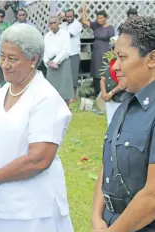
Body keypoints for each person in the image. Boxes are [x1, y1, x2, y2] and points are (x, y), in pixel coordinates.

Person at [0, 23, 74, 232]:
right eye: (2, 56)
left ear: (33, 60)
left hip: (29, 211)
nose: (4, 64)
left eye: (12, 59)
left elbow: (39, 159)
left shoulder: (45, 98)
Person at [92, 16, 155, 232]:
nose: (115, 67)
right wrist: (97, 218)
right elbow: (108, 165)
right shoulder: (124, 106)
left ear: (151, 59)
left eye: (122, 58)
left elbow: (152, 197)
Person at [81, 4, 115, 96]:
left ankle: (105, 91)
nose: (99, 20)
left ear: (105, 18)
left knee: (104, 70)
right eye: (98, 18)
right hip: (96, 51)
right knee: (96, 70)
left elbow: (112, 42)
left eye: (101, 18)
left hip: (106, 52)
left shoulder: (110, 28)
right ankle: (97, 92)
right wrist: (84, 10)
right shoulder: (96, 26)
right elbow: (84, 21)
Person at [44, 16, 74, 106]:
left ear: (58, 23)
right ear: (49, 25)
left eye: (54, 23)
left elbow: (65, 50)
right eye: (51, 23)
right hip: (50, 63)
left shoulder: (65, 34)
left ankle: (65, 110)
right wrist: (47, 62)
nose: (53, 25)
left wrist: (55, 61)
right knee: (51, 89)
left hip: (63, 62)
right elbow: (44, 51)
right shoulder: (47, 36)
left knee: (64, 90)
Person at [100, 37, 126, 127]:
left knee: (119, 122)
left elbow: (124, 83)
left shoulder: (124, 63)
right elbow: (103, 79)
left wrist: (111, 93)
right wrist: (104, 93)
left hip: (120, 98)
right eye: (113, 49)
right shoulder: (111, 63)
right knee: (110, 122)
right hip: (109, 99)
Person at [60, 9, 83, 99]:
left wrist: (60, 33)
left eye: (71, 16)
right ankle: (66, 94)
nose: (69, 18)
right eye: (67, 16)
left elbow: (68, 35)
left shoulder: (77, 24)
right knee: (65, 75)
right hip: (64, 54)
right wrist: (59, 18)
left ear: (74, 16)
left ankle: (73, 95)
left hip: (73, 53)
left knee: (73, 74)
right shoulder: (64, 25)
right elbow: (54, 29)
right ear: (65, 16)